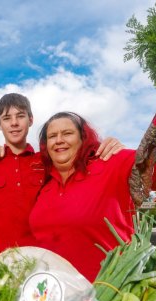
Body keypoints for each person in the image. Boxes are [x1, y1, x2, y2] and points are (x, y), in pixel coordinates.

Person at [0, 93, 123, 253]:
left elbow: (79, 157)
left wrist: (106, 145)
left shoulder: (47, 161)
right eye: (6, 118)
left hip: (41, 259)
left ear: (31, 120)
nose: (14, 123)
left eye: (20, 116)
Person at [29, 111, 137, 282]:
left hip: (108, 294)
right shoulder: (45, 186)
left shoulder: (112, 162)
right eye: (52, 136)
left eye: (67, 133)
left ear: (83, 138)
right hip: (57, 297)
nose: (59, 140)